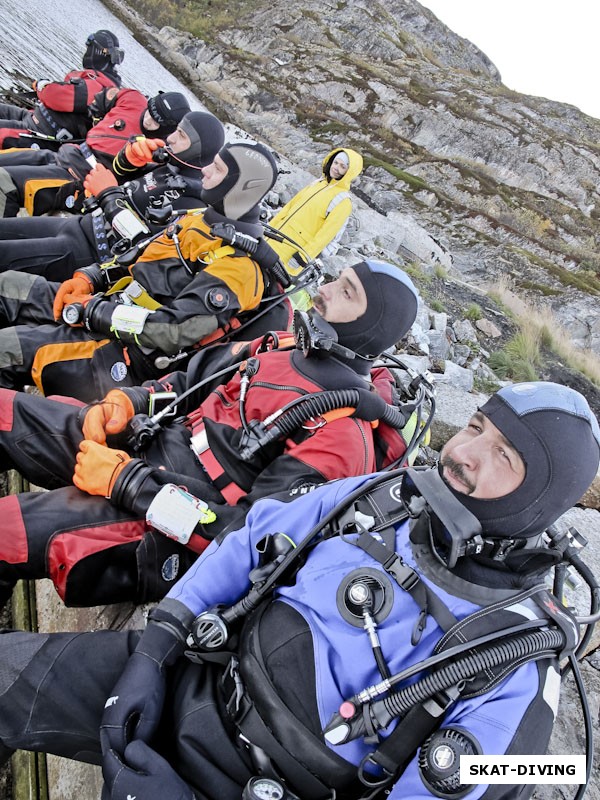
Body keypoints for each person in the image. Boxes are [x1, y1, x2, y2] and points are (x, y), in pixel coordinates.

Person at [0, 381, 597, 800]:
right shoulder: (386, 496)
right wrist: (157, 647)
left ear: (536, 500)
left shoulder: (518, 670)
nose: (462, 454)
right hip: (191, 675)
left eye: (504, 456)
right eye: (474, 426)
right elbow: (252, 535)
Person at [0, 260, 419, 607]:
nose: (324, 290)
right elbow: (192, 381)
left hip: (165, 519)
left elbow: (248, 540)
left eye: (347, 293)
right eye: (335, 279)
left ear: (373, 327)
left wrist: (126, 483)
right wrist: (128, 402)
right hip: (146, 445)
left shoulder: (343, 435)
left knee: (7, 533)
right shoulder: (283, 345)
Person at [0, 139, 292, 400]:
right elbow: (135, 256)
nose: (204, 171)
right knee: (9, 286)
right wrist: (90, 278)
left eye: (216, 169)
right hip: (107, 309)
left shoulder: (240, 268)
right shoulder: (198, 219)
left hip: (120, 353)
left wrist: (92, 311)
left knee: (6, 348)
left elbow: (170, 330)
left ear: (240, 187)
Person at [0, 111, 226, 281]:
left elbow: (144, 245)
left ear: (198, 149)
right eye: (175, 130)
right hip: (80, 225)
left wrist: (108, 194)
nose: (172, 138)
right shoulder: (167, 165)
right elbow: (118, 179)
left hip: (90, 254)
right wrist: (128, 160)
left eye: (182, 136)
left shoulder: (193, 200)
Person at [0, 89, 190, 217]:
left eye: (157, 122)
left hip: (79, 177)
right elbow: (105, 97)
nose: (148, 121)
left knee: (5, 182)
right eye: (149, 112)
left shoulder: (157, 152)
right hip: (65, 154)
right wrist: (97, 121)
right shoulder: (133, 99)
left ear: (169, 129)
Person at [267, 147, 363, 308]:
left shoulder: (343, 201)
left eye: (342, 166)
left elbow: (324, 236)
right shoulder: (317, 183)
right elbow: (289, 207)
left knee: (269, 287)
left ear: (350, 172)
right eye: (336, 162)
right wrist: (270, 227)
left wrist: (302, 258)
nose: (336, 168)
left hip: (291, 251)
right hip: (274, 238)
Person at [0, 30, 123, 148]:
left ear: (95, 52)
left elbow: (55, 96)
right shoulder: (103, 83)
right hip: (34, 118)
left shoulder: (98, 88)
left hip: (38, 133)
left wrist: (41, 86)